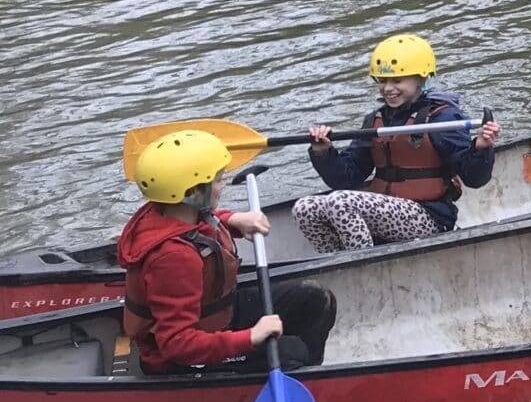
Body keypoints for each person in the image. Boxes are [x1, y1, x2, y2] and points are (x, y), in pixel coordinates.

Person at [120, 129, 336, 373]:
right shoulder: (174, 258)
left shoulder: (165, 210)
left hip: (217, 316)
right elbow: (177, 344)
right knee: (291, 352)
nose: (223, 186)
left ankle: (306, 373)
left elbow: (201, 223)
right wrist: (251, 337)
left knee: (316, 298)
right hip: (181, 359)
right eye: (219, 179)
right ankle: (291, 376)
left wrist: (231, 219)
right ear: (192, 193)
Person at [301, 34, 500, 253]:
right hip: (384, 215)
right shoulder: (375, 120)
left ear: (420, 79)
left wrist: (481, 147)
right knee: (306, 208)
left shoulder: (440, 117)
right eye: (383, 81)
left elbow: (474, 178)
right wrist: (323, 153)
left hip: (428, 216)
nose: (388, 88)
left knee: (342, 202)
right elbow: (346, 179)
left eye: (397, 80)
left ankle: (364, 265)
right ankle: (338, 264)